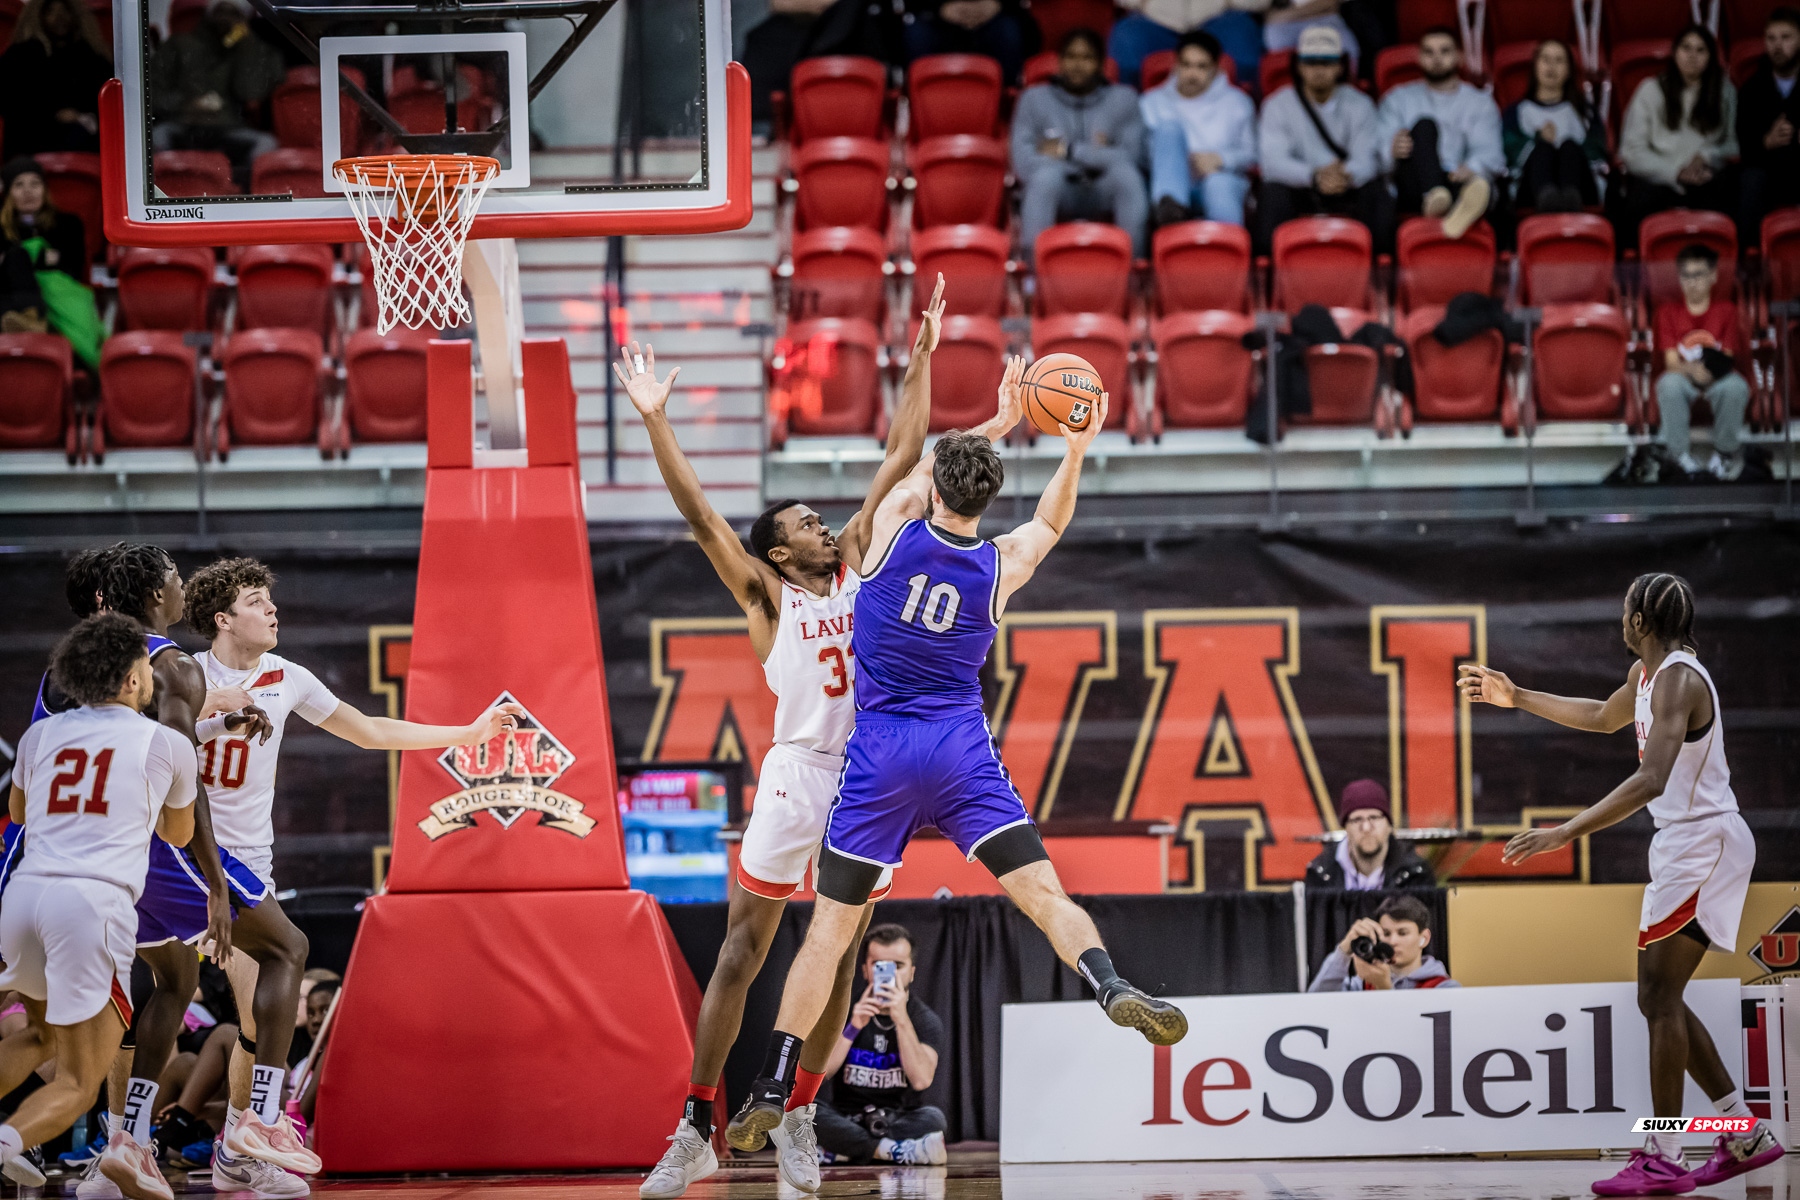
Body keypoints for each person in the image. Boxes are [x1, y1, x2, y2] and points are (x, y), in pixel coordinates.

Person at [733, 382, 1190, 1177]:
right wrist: (1075, 446)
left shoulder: (883, 534)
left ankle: (773, 1081)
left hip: (880, 756)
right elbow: (1050, 521)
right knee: (1046, 894)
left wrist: (999, 416)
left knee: (829, 935)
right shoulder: (1000, 563)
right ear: (988, 496)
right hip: (959, 750)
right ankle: (1109, 982)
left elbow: (909, 461)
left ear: (935, 488)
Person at [631, 282, 965, 1199]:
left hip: (870, 782)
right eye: (805, 524)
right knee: (743, 951)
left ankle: (801, 1116)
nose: (824, 524)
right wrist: (660, 423)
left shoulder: (862, 559)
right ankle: (697, 1120)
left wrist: (923, 353)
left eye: (823, 520)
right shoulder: (768, 596)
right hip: (796, 772)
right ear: (779, 554)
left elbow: (903, 455)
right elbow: (702, 517)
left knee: (842, 958)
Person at [181, 557, 521, 1195]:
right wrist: (211, 710)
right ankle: (129, 1140)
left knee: (259, 1009)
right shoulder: (183, 673)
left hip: (250, 860)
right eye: (257, 601)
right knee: (149, 999)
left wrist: (466, 733)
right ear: (224, 619)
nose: (273, 610)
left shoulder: (289, 677)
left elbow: (366, 731)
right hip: (180, 851)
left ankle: (238, 1145)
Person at [1461, 574, 1787, 1196]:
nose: (1620, 619)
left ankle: (1663, 1154)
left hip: (1703, 841)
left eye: (1624, 611)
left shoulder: (1681, 679)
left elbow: (1651, 779)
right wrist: (1516, 695)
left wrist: (1566, 832)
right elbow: (1601, 716)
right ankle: (1742, 1134)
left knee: (1658, 997)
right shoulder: (1648, 677)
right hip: (1684, 843)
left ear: (1639, 620)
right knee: (1656, 996)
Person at [22, 545, 270, 1200]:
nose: (179, 586)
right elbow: (166, 764)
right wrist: (215, 880)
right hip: (102, 858)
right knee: (277, 951)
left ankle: (122, 1150)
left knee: (147, 990)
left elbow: (136, 742)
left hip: (36, 865)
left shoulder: (69, 684)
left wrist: (210, 720)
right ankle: (250, 1129)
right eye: (171, 579)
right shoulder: (154, 662)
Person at [0, 614, 198, 1196]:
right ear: (134, 680)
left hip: (25, 898)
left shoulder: (39, 736)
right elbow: (180, 835)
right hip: (91, 905)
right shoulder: (166, 742)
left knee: (38, 1036)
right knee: (80, 1082)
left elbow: (17, 813)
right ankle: (9, 1142)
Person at [814, 925, 948, 1167]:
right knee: (803, 1110)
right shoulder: (843, 1011)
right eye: (879, 965)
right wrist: (853, 1027)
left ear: (912, 972)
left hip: (896, 1118)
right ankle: (893, 1151)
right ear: (865, 970)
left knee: (934, 1119)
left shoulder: (924, 1019)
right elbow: (821, 1073)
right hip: (846, 1116)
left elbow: (921, 1080)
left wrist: (901, 1020)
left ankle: (841, 1150)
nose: (889, 974)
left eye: (898, 966)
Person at [1011, 28, 1150, 261]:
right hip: (1060, 189)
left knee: (1127, 176)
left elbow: (1131, 157)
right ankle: (1032, 280)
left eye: (1086, 58)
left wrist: (1068, 151)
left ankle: (1133, 274)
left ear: (1100, 64)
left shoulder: (1124, 98)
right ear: (1060, 62)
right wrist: (1100, 156)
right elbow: (1023, 163)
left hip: (1103, 189)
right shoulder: (1033, 99)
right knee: (1045, 177)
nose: (1078, 65)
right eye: (1071, 57)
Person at [1256, 24, 1389, 246]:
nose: (1318, 70)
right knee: (1272, 194)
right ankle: (1267, 273)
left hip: (1347, 185)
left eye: (1326, 62)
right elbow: (1272, 163)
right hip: (1301, 186)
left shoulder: (1360, 104)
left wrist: (1345, 176)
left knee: (1378, 194)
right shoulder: (1277, 104)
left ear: (1340, 66)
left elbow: (1367, 159)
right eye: (1311, 62)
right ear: (1299, 66)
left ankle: (1382, 270)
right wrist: (1314, 176)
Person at [1619, 23, 1739, 243]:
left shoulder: (1725, 91)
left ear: (1711, 56)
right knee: (1637, 198)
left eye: (1700, 50)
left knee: (1730, 190)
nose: (1692, 55)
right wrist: (1675, 171)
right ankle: (1637, 272)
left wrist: (1706, 155)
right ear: (1674, 52)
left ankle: (1725, 267)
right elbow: (1631, 151)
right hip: (1659, 177)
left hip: (1706, 175)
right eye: (1686, 48)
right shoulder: (1650, 89)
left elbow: (1734, 145)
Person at [1377, 27, 1501, 239]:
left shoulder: (1479, 102)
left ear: (1459, 57)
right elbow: (1379, 153)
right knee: (1424, 126)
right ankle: (1443, 199)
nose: (1437, 59)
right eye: (1429, 52)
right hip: (1413, 184)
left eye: (1444, 51)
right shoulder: (1397, 98)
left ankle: (1447, 204)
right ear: (1419, 57)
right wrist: (1392, 148)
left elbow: (1489, 152)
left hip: (1456, 176)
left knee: (1477, 181)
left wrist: (1471, 168)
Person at [148, 0, 283, 192]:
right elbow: (152, 94)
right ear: (209, 14)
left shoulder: (253, 49)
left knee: (267, 144)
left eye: (233, 14)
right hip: (182, 125)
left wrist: (245, 43)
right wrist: (185, 105)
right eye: (221, 12)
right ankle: (165, 194)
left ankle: (245, 201)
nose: (225, 19)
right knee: (156, 137)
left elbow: (250, 92)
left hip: (227, 128)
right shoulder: (178, 45)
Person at [1651, 243, 1751, 481]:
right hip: (1684, 377)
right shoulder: (1667, 312)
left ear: (1713, 276)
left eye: (1698, 275)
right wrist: (1693, 370)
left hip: (1717, 376)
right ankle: (1679, 457)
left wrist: (1708, 372)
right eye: (1686, 275)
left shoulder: (1727, 311)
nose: (1692, 282)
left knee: (1735, 387)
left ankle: (1724, 453)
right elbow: (1671, 362)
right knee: (1668, 384)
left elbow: (1726, 357)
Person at [1140, 29, 1258, 228]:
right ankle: (1171, 213)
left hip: (1221, 178)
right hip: (1168, 183)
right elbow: (1140, 155)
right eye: (1186, 65)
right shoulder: (1151, 101)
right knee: (1168, 130)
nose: (1192, 74)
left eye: (1201, 66)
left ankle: (1228, 251)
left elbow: (1253, 154)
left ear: (1215, 68)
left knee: (1218, 183)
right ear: (1176, 65)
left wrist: (1220, 160)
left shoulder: (1238, 102)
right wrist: (1177, 162)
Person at [0, 157, 100, 368]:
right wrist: (43, 257)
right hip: (11, 300)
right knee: (17, 258)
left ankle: (32, 319)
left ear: (45, 189)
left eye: (35, 183)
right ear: (8, 193)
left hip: (58, 296)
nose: (28, 191)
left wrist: (19, 260)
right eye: (19, 185)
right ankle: (33, 321)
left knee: (16, 257)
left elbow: (72, 266)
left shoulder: (69, 224)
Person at [1501, 38, 1608, 212]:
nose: (1551, 67)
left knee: (1569, 147)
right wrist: (1539, 140)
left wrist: (1566, 153)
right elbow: (1509, 153)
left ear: (1569, 70)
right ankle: (1548, 199)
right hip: (1530, 191)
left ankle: (1569, 199)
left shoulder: (1585, 112)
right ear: (1535, 66)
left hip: (1582, 188)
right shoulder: (1516, 111)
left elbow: (1598, 153)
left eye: (1559, 61)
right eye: (1546, 60)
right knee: (1543, 149)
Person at [0, 0, 112, 160]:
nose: (59, 17)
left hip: (84, 139)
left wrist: (78, 116)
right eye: (51, 11)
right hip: (31, 139)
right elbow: (11, 103)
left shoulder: (91, 56)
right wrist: (55, 115)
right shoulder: (20, 56)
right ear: (39, 16)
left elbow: (107, 99)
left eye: (65, 10)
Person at [1735, 7, 1800, 244]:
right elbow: (1744, 149)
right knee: (1751, 179)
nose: (1777, 45)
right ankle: (1752, 263)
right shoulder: (1751, 89)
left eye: (1786, 37)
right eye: (1771, 38)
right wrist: (1766, 141)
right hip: (1770, 170)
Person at [1107, 0, 1269, 92]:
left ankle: (1245, 110)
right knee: (1126, 36)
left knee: (1242, 35)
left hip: (1218, 20)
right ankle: (1128, 114)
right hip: (1156, 22)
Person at [1307, 895, 1459, 991]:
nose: (1393, 941)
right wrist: (1345, 950)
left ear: (1424, 938)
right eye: (1386, 933)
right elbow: (1317, 1001)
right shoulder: (1362, 985)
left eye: (1402, 933)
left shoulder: (1445, 988)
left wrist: (1384, 988)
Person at [1302, 778, 1433, 890]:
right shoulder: (1320, 874)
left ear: (1389, 825)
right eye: (1357, 819)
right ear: (1345, 827)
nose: (1366, 827)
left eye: (1374, 818)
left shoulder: (1415, 874)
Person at [902, 0, 1039, 85]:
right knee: (916, 34)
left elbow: (1019, 5)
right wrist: (941, 9)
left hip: (994, 17)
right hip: (938, 19)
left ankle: (1006, 100)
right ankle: (921, 96)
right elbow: (911, 4)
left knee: (1010, 31)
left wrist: (996, 4)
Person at [1264, 0, 1359, 76]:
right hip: (1283, 22)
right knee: (1275, 40)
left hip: (1324, 18)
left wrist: (1288, 15)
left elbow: (1330, 3)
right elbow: (1264, 11)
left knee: (1347, 51)